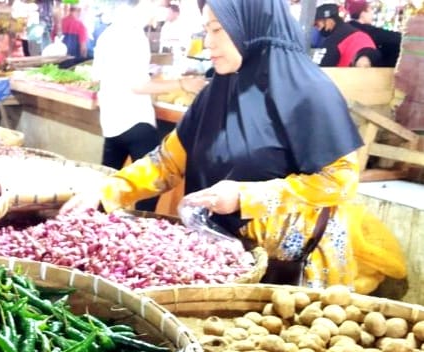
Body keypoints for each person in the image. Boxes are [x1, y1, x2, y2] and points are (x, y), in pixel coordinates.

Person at [63, 0, 405, 290]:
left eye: (217, 30)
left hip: (297, 270)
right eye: (206, 29)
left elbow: (340, 181)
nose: (207, 42)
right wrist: (110, 191)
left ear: (250, 25)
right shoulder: (216, 92)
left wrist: (245, 197)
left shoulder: (308, 93)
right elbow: (167, 162)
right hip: (229, 262)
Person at [94, 0, 206, 212]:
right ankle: (140, 230)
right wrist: (184, 84)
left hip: (110, 121)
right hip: (135, 122)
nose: (165, 9)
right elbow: (138, 85)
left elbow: (102, 75)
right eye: (164, 4)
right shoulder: (133, 36)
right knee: (150, 189)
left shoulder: (109, 33)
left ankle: (96, 230)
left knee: (106, 185)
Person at [313, 3, 379, 67]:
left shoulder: (334, 40)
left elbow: (320, 69)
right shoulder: (360, 35)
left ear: (329, 21)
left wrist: (362, 59)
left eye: (317, 24)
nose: (317, 29)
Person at [346, 0, 401, 67]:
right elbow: (396, 38)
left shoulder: (347, 28)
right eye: (370, 10)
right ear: (363, 13)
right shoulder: (367, 30)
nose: (372, 14)